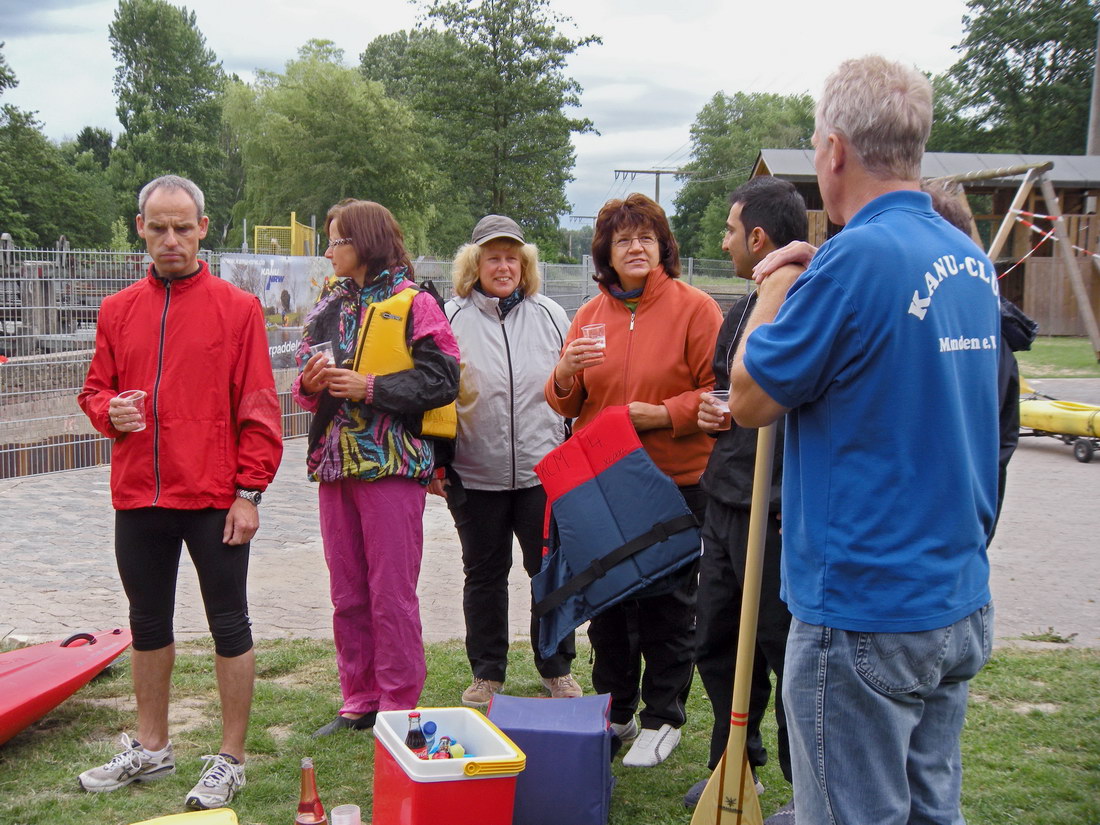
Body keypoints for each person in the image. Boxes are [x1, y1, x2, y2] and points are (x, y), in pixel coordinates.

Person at [729, 57, 1000, 825]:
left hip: (864, 609)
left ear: (836, 150)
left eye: (817, 138)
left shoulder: (850, 262)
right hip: (953, 598)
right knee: (926, 812)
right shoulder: (968, 261)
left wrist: (776, 285)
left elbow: (749, 399)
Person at [77, 174, 283, 810]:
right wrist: (111, 411)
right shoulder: (117, 310)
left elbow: (258, 405)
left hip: (214, 496)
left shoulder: (237, 307)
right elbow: (93, 390)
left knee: (229, 623)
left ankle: (231, 757)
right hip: (138, 495)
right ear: (139, 228)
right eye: (158, 227)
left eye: (182, 227)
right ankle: (153, 747)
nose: (171, 239)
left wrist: (249, 491)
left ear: (202, 228)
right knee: (146, 624)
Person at [545, 192, 722, 767]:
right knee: (609, 599)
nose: (636, 247)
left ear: (662, 246)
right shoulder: (589, 315)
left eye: (646, 237)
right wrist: (565, 373)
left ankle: (663, 716)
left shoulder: (696, 308)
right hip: (604, 481)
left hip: (674, 476)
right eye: (624, 240)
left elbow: (717, 391)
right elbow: (565, 401)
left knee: (668, 603)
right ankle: (616, 708)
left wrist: (659, 414)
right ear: (607, 253)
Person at [292, 199, 459, 738]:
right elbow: (302, 385)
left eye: (337, 239)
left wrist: (371, 388)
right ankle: (358, 697)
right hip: (336, 465)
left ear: (364, 241)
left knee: (391, 591)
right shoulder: (327, 305)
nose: (328, 250)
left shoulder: (416, 302)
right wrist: (312, 384)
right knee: (347, 590)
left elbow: (443, 379)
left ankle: (396, 701)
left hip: (392, 464)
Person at [683, 177, 807, 817]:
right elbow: (729, 392)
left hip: (779, 508)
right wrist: (713, 412)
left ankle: (803, 789)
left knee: (783, 650)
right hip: (726, 499)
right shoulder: (746, 305)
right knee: (717, 640)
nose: (725, 241)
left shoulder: (803, 302)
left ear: (757, 237)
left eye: (731, 230)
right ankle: (737, 763)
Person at [433, 214, 579, 707]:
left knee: (550, 573)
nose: (503, 266)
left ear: (525, 264)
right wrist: (439, 461)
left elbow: (573, 390)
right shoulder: (450, 319)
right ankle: (488, 673)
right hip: (475, 474)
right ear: (474, 264)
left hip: (543, 472)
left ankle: (556, 668)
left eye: (511, 258)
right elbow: (436, 398)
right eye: (493, 257)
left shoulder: (553, 316)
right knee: (484, 576)